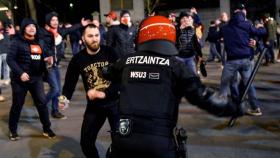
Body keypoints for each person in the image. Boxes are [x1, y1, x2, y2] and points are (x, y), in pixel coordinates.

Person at [103, 15, 243, 158]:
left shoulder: (125, 61)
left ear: (141, 35)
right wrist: (232, 106)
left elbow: (107, 72)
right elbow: (202, 96)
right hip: (159, 144)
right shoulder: (177, 66)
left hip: (123, 141)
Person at [59, 24, 119, 158]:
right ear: (83, 39)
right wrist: (65, 99)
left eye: (97, 35)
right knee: (86, 142)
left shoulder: (110, 52)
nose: (94, 39)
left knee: (121, 142)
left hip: (115, 104)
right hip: (94, 107)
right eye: (90, 36)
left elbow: (120, 80)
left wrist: (104, 93)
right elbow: (69, 83)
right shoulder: (78, 59)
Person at [7, 18, 55, 141]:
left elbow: (41, 57)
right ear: (23, 29)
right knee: (17, 105)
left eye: (33, 26)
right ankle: (13, 130)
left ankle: (47, 129)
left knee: (42, 103)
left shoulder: (39, 42)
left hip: (36, 78)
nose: (32, 28)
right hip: (20, 80)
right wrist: (20, 73)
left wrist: (47, 62)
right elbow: (10, 59)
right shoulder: (17, 42)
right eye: (28, 26)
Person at [39, 12, 90, 119]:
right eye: (52, 20)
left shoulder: (59, 32)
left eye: (56, 20)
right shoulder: (43, 33)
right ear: (48, 21)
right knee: (55, 89)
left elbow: (69, 30)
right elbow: (42, 46)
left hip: (56, 65)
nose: (55, 22)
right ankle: (42, 104)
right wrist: (47, 56)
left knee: (58, 90)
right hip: (48, 65)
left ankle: (55, 111)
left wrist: (80, 24)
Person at [218, 4, 266, 116]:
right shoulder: (247, 24)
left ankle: (221, 107)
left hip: (231, 61)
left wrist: (221, 25)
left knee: (225, 84)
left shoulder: (225, 27)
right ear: (242, 12)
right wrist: (262, 26)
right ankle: (255, 107)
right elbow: (261, 33)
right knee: (248, 84)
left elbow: (214, 36)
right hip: (245, 60)